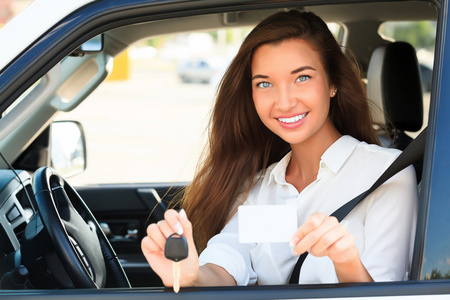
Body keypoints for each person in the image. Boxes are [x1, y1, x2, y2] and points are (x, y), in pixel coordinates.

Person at [141, 10, 418, 287]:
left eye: (302, 78)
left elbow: (385, 293)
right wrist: (191, 275)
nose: (284, 102)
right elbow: (227, 262)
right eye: (264, 84)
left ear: (332, 83)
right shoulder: (260, 188)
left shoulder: (386, 175)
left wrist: (345, 260)